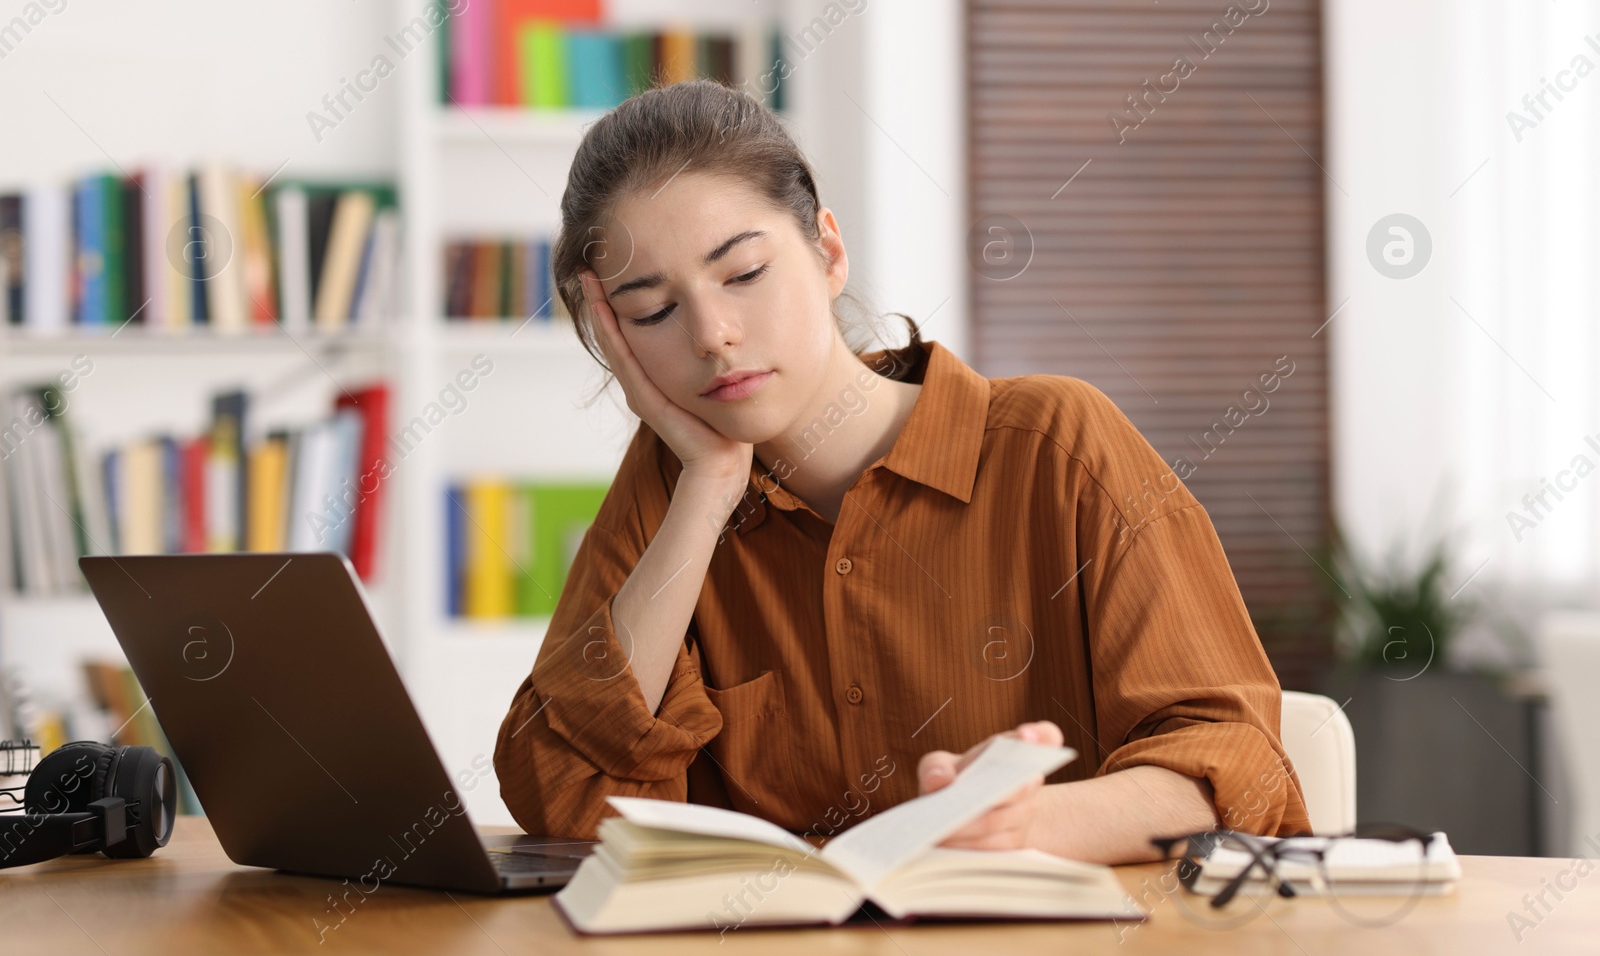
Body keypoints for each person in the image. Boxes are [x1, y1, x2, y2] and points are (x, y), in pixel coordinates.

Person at [493, 79, 1310, 864]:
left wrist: (1028, 823)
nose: (712, 334)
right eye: (653, 312)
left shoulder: (1060, 445)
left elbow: (1237, 764)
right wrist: (706, 490)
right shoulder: (669, 488)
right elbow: (564, 797)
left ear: (827, 250)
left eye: (744, 273)